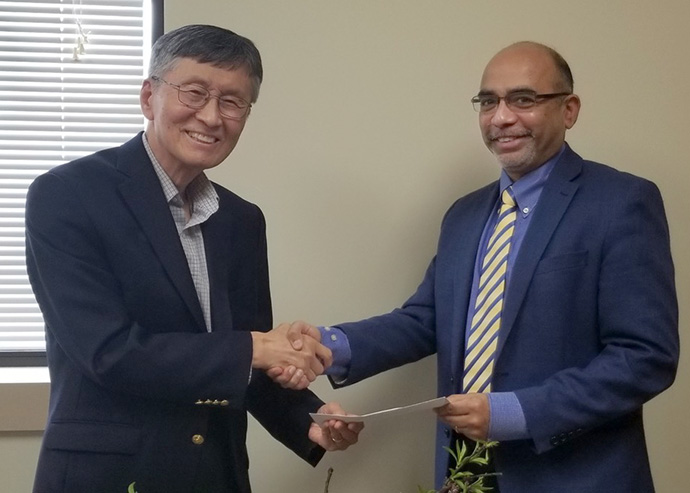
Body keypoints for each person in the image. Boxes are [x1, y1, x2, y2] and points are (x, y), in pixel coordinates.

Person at [272, 41, 679, 492]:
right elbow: (427, 319)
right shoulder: (464, 215)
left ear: (569, 109)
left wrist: (513, 412)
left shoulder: (621, 202)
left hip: (575, 478)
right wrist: (331, 345)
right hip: (464, 474)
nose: (501, 117)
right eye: (488, 101)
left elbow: (645, 358)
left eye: (523, 99)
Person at [25, 24, 361, 493]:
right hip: (107, 475)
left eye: (232, 102)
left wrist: (309, 418)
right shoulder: (66, 195)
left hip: (216, 474)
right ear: (148, 97)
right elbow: (106, 352)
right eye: (194, 92)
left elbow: (246, 365)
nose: (211, 116)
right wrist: (258, 347)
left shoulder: (241, 220)